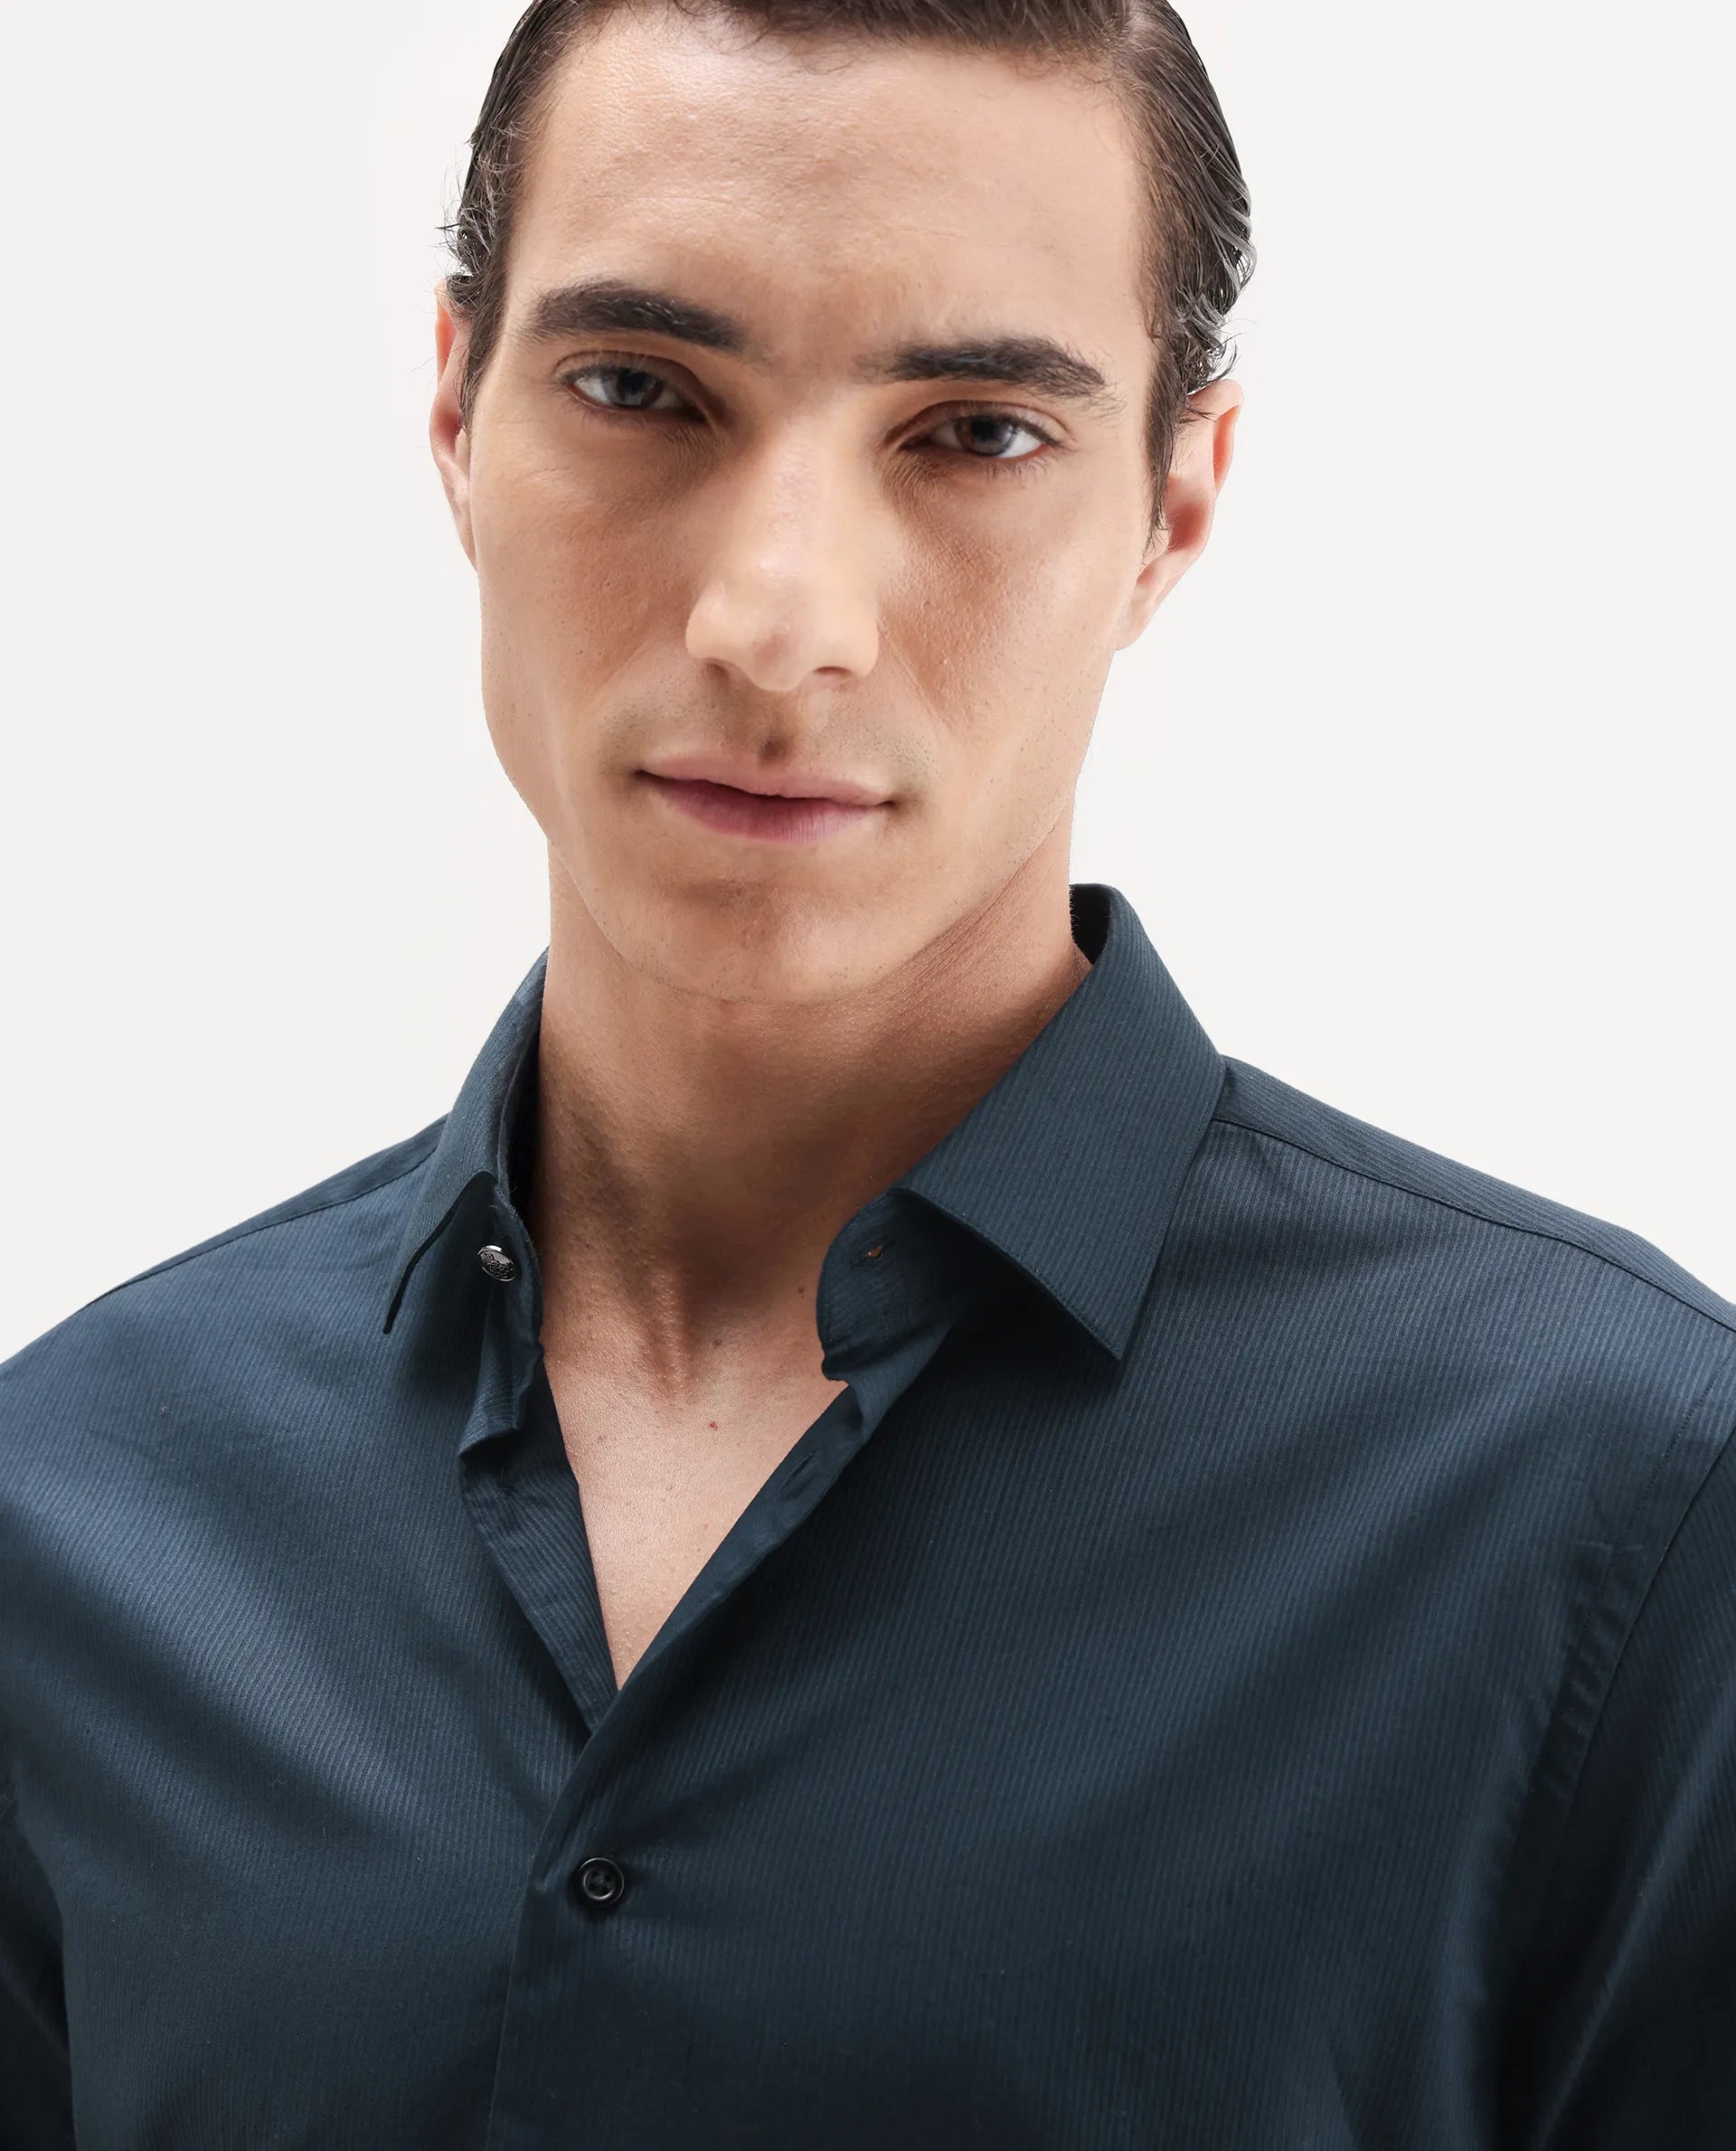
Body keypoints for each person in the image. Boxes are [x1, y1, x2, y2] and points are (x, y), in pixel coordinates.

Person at [3, 0, 1732, 2143]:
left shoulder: (1630, 1517)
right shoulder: (66, 1513)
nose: (778, 616)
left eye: (975, 431)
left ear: (1176, 503)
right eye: (641, 389)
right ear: (456, 406)